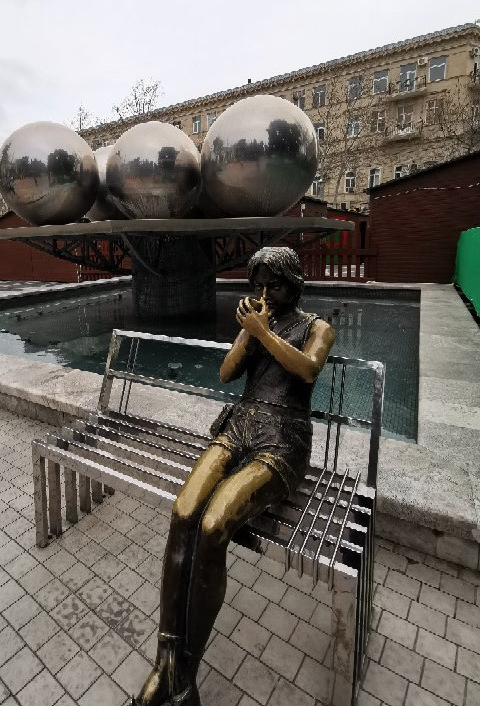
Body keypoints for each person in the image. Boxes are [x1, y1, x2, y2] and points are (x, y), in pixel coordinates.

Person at [132, 247, 335, 706]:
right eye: (258, 286)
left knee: (212, 525)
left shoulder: (317, 327)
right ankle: (165, 657)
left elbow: (307, 369)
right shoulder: (256, 322)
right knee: (183, 512)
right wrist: (248, 335)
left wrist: (261, 331)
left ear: (294, 284)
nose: (265, 294)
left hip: (282, 439)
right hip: (239, 424)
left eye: (275, 286)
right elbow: (226, 374)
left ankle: (185, 672)